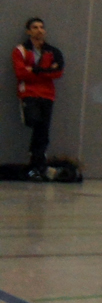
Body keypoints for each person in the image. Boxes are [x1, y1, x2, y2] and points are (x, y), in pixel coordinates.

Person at [13, 18, 64, 181]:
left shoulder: (53, 52)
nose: (39, 30)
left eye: (41, 27)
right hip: (28, 93)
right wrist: (45, 71)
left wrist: (34, 70)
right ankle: (36, 159)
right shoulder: (20, 50)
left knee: (43, 129)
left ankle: (37, 161)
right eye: (35, 27)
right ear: (28, 31)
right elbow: (21, 73)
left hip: (47, 94)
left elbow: (58, 72)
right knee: (33, 120)